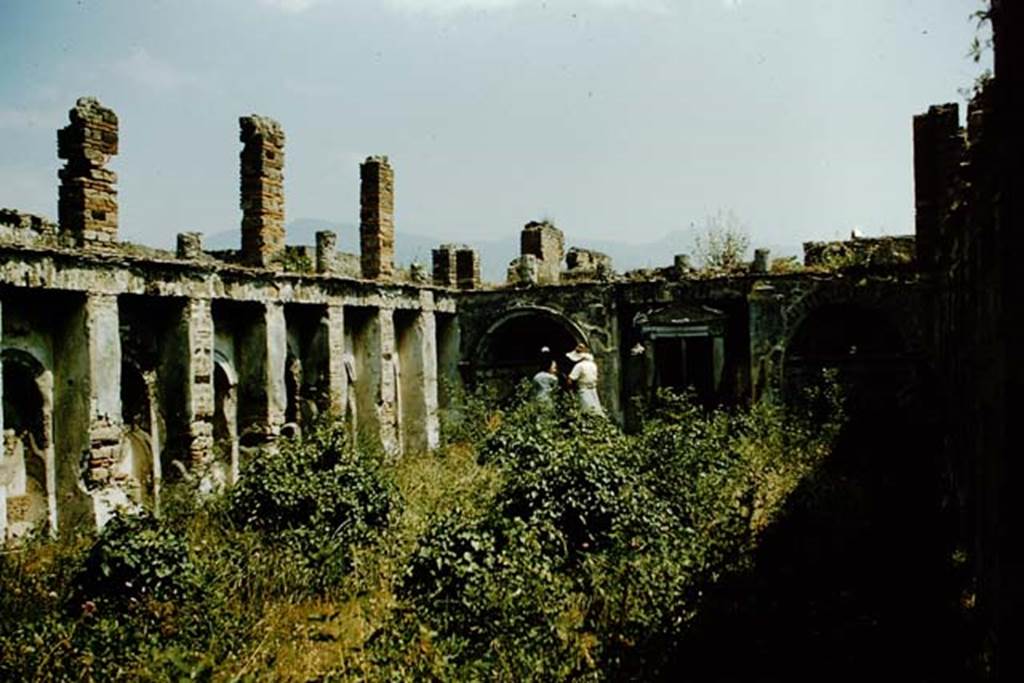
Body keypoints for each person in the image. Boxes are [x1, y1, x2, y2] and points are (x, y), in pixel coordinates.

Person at [566, 343, 606, 416]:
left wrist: (570, 390)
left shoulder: (579, 366)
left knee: (586, 411)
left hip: (583, 391)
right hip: (593, 390)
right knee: (595, 410)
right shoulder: (593, 365)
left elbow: (570, 379)